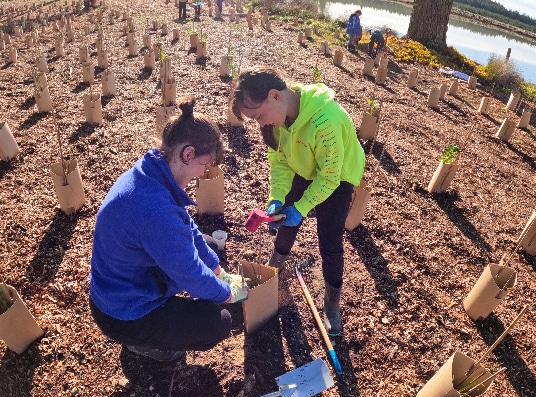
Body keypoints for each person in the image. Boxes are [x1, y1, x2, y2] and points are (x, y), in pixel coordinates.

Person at [89, 96, 248, 362]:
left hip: (120, 286)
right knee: (218, 322)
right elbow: (190, 274)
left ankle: (153, 328)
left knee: (207, 250)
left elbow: (187, 229)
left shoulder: (151, 173)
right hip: (123, 312)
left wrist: (219, 270)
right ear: (187, 154)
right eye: (204, 165)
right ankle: (140, 342)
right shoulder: (154, 211)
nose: (203, 173)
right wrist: (228, 293)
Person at [230, 66, 366, 337]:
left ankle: (331, 304)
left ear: (275, 96)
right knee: (286, 221)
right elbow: (280, 162)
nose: (260, 124)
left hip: (337, 178)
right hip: (304, 166)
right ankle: (275, 266)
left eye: (258, 116)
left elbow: (328, 178)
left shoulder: (325, 121)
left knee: (330, 241)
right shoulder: (278, 122)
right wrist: (277, 197)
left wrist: (302, 207)